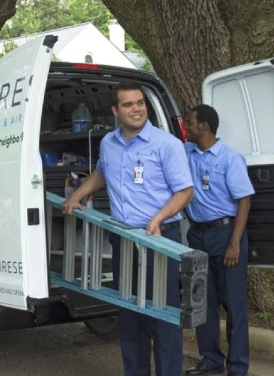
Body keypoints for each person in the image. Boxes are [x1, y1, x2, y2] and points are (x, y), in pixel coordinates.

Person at [62, 83, 194, 376]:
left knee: (162, 315)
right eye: (128, 105)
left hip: (158, 239)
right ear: (115, 111)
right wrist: (76, 195)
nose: (136, 109)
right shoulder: (109, 142)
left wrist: (159, 217)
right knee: (131, 314)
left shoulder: (166, 144)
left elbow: (185, 191)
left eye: (140, 103)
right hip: (123, 239)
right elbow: (101, 172)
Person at [183, 104, 254, 376]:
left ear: (204, 126)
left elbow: (244, 200)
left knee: (234, 303)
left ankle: (237, 367)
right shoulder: (187, 152)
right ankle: (211, 359)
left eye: (190, 123)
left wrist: (234, 242)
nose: (186, 127)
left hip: (225, 233)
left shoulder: (229, 158)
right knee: (203, 300)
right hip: (198, 234)